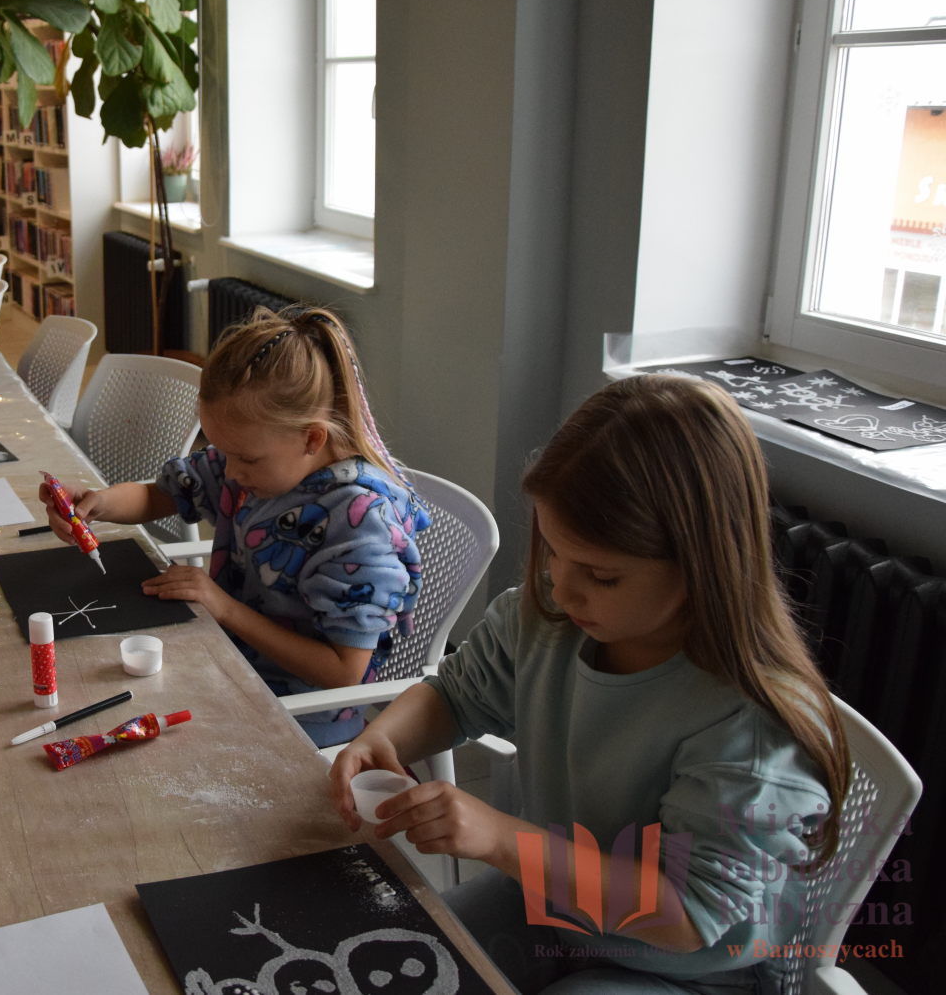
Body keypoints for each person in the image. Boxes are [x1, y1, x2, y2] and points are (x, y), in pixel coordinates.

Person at [328, 375, 851, 994]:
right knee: (395, 964)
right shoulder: (547, 620)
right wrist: (382, 739)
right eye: (553, 551)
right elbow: (455, 694)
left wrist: (501, 839)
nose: (563, 588)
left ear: (701, 565)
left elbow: (686, 913)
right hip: (552, 905)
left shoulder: (749, 727)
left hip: (685, 971)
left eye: (602, 577)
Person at [42, 306, 429, 746]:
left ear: (311, 438)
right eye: (221, 452)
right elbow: (163, 494)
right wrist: (97, 503)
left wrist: (222, 606)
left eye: (245, 458)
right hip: (228, 664)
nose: (230, 472)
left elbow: (343, 672)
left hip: (304, 717)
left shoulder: (360, 524)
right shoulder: (252, 461)